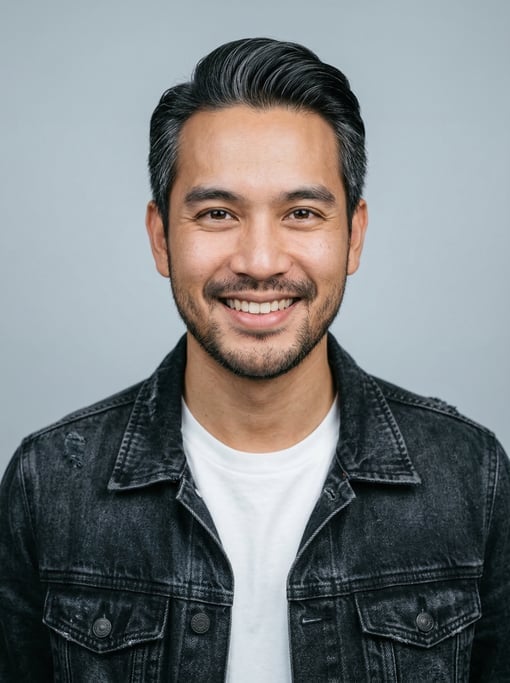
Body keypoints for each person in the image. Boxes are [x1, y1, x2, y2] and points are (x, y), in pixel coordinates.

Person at [0, 37, 508, 683]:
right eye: (217, 212)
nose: (260, 261)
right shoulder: (47, 487)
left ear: (354, 234)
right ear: (161, 238)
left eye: (301, 212)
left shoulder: (472, 479)